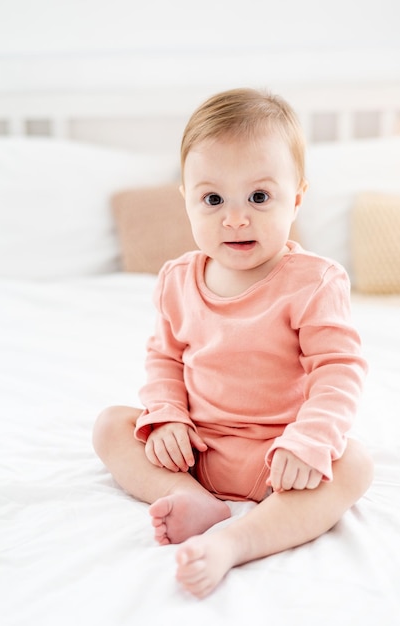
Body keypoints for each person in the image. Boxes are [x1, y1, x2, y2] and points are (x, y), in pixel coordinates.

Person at [92, 87, 374, 598]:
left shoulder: (314, 281)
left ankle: (238, 542)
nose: (236, 217)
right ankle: (192, 500)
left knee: (354, 463)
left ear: (298, 197)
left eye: (259, 197)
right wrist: (167, 417)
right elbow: (164, 360)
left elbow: (339, 371)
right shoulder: (178, 278)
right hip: (196, 449)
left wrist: (309, 443)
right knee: (112, 425)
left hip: (279, 460)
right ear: (186, 199)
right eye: (213, 199)